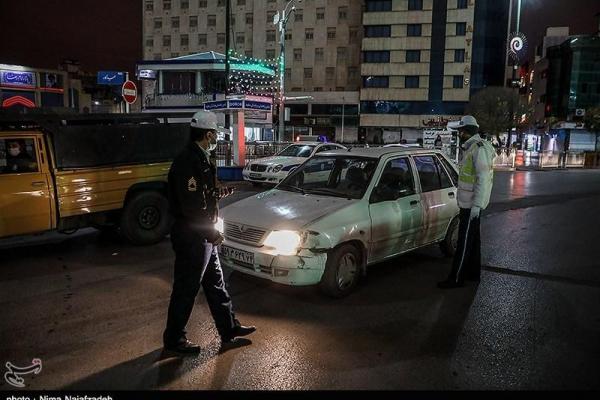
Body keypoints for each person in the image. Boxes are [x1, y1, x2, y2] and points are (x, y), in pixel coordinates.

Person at [163, 110, 256, 354]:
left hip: (203, 236)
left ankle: (229, 328)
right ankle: (174, 341)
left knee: (216, 284)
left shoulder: (202, 158)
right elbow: (192, 207)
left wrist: (217, 193)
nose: (218, 139)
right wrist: (212, 234)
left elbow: (201, 197)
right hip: (193, 237)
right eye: (216, 135)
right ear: (207, 134)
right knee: (186, 288)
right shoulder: (188, 161)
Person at [438, 115, 495, 289]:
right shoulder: (472, 148)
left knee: (463, 243)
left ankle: (456, 278)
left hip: (471, 205)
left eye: (460, 131)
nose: (458, 134)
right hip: (468, 204)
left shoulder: (478, 149)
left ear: (466, 131)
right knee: (473, 241)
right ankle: (472, 274)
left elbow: (483, 179)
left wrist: (477, 205)